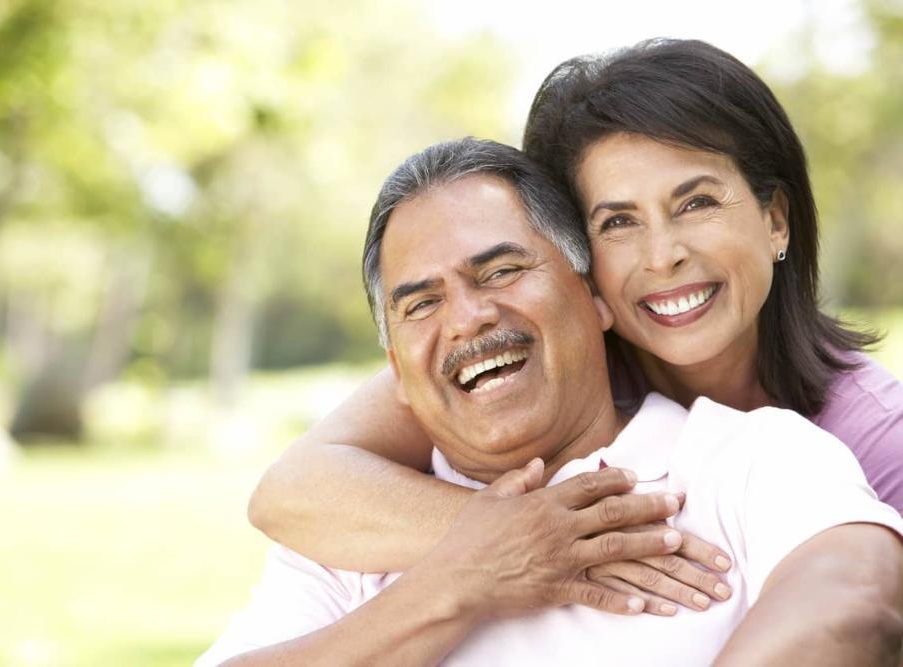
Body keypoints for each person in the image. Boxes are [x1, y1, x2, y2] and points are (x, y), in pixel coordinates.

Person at [247, 38, 903, 614]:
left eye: (696, 202)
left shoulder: (870, 434)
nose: (662, 254)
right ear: (576, 263)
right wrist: (537, 536)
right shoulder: (540, 356)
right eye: (617, 221)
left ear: (776, 220)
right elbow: (291, 491)